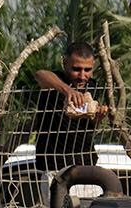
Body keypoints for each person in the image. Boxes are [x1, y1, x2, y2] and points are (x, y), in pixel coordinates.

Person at [30, 42, 113, 176]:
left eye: (87, 70)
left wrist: (98, 118)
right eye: (76, 69)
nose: (82, 76)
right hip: (53, 164)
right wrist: (68, 91)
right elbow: (40, 74)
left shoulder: (93, 86)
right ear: (65, 63)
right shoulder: (56, 82)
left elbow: (89, 127)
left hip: (86, 161)